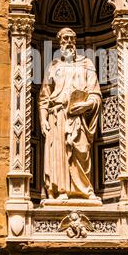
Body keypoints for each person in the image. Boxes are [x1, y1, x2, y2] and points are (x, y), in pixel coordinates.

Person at [39, 28, 101, 200]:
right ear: (60, 42)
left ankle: (84, 189)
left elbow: (96, 94)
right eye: (65, 39)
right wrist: (43, 119)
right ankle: (61, 190)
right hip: (57, 116)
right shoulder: (53, 67)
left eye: (72, 39)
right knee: (58, 155)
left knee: (81, 150)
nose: (69, 42)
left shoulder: (86, 64)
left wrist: (86, 105)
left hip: (78, 117)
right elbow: (44, 97)